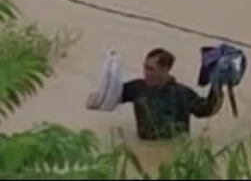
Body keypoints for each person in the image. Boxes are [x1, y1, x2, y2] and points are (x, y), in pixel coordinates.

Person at [87, 47, 224, 141]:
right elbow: (112, 95)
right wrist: (96, 100)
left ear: (165, 70)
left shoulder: (182, 94)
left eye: (151, 69)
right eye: (145, 67)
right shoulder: (137, 88)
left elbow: (208, 109)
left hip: (172, 151)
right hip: (145, 148)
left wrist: (217, 84)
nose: (146, 72)